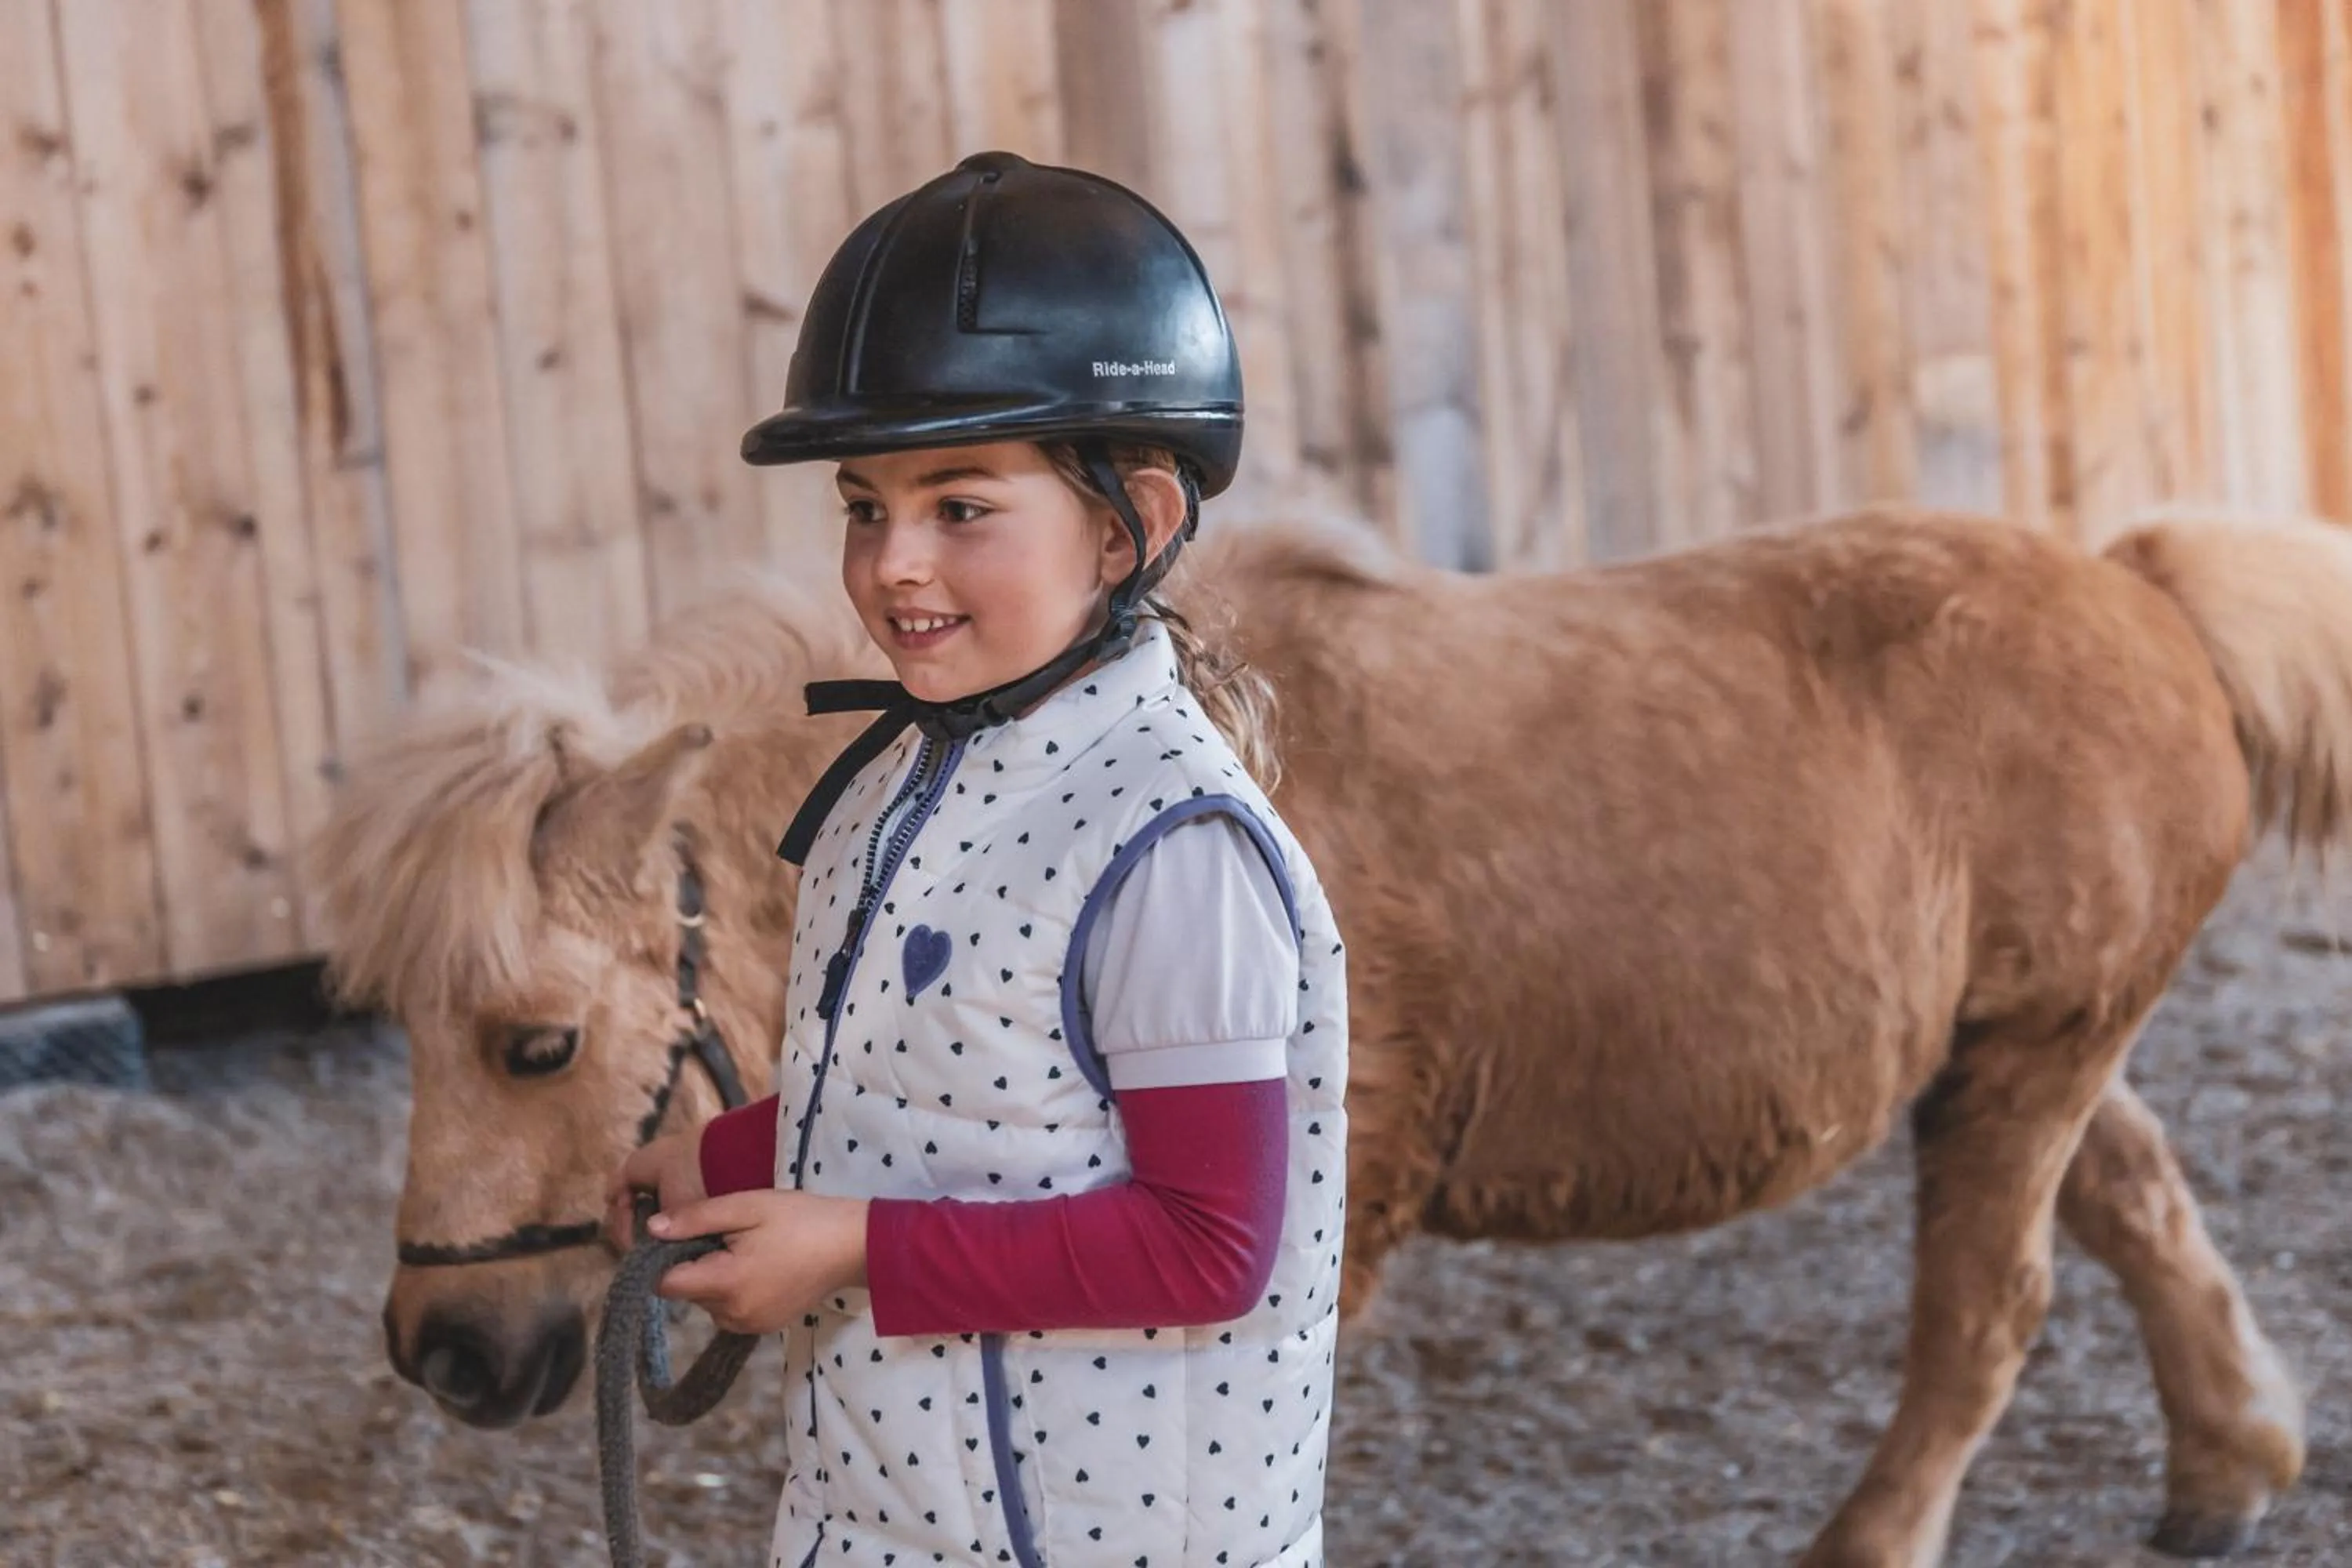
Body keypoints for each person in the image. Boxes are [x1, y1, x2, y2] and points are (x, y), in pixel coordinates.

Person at [603, 151, 1349, 1567]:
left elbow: (1209, 1247)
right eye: (865, 506)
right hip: (897, 1510)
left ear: (1136, 522)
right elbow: (937, 1091)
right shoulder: (903, 783)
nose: (894, 564)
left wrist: (851, 1249)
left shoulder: (1173, 853)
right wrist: (725, 1155)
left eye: (961, 507)